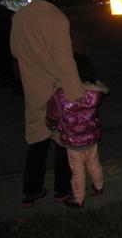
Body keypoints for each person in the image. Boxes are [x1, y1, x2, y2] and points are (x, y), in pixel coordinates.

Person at [10, 0, 85, 207]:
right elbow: (65, 60)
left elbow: (14, 50)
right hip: (58, 91)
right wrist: (77, 94)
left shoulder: (19, 16)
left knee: (36, 140)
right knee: (62, 141)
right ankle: (62, 190)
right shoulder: (57, 18)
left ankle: (31, 191)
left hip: (33, 88)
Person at [46, 53, 108, 208]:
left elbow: (52, 116)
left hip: (73, 140)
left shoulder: (60, 95)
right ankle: (99, 187)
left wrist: (52, 126)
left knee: (77, 169)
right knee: (94, 162)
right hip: (91, 137)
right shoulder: (95, 92)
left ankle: (78, 198)